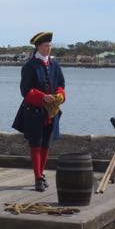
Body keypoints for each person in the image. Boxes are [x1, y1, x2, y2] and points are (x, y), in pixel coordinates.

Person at [12, 31, 66, 192]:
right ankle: (38, 178)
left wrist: (59, 95)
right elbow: (25, 91)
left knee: (46, 145)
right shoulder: (30, 66)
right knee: (35, 145)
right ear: (38, 47)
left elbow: (61, 84)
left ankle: (42, 174)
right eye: (46, 46)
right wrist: (43, 97)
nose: (49, 48)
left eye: (50, 45)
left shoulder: (55, 64)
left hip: (50, 112)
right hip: (34, 112)